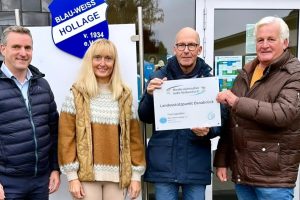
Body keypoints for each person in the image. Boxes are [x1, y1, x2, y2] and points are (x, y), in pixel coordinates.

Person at [214, 16, 300, 200]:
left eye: (271, 39)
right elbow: (232, 121)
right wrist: (221, 160)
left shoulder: (294, 73)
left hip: (273, 179)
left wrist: (237, 102)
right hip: (243, 175)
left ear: (285, 43)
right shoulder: (246, 73)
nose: (264, 45)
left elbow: (283, 114)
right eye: (260, 40)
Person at [138, 27, 221, 200]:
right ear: (174, 49)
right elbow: (144, 117)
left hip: (195, 163)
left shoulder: (209, 82)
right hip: (165, 165)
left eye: (191, 45)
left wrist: (209, 131)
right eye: (181, 45)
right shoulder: (159, 78)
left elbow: (220, 120)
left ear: (199, 49)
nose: (186, 50)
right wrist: (150, 96)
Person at [58, 39, 146, 200]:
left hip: (118, 178)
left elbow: (135, 140)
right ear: (90, 61)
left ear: (114, 62)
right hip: (86, 177)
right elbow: (66, 138)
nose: (103, 63)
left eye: (108, 58)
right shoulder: (76, 94)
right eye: (97, 57)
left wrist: (135, 176)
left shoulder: (124, 95)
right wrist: (72, 177)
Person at [0, 25, 60, 200]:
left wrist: (54, 168)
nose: (23, 53)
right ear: (3, 49)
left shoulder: (42, 85)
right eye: (16, 47)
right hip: (7, 183)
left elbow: (54, 131)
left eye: (27, 48)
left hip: (40, 181)